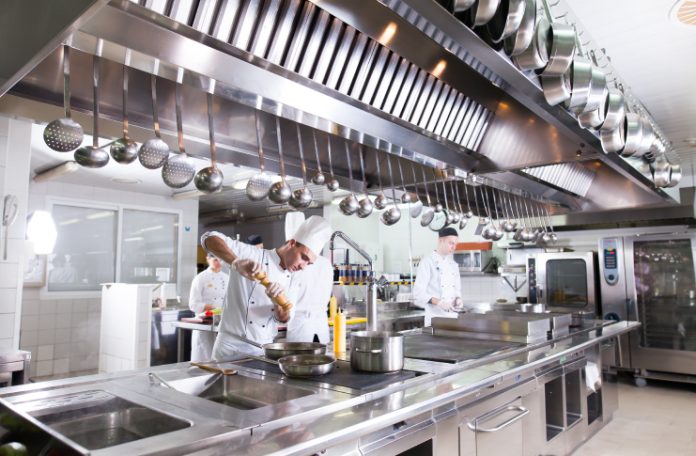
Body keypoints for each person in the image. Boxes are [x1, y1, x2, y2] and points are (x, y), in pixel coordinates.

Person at [201, 215, 333, 360]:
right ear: (292, 243)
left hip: (262, 350)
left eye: (309, 263)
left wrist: (278, 305)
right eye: (304, 257)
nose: (303, 266)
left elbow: (285, 318)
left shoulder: (294, 279)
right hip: (230, 347)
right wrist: (236, 262)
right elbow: (208, 238)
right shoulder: (253, 255)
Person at [284, 213, 333, 344]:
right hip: (321, 330)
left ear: (292, 243)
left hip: (300, 332)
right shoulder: (326, 263)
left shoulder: (294, 266)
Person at [413, 227, 462, 326]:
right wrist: (439, 302)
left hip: (452, 318)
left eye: (455, 244)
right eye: (451, 243)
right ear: (440, 241)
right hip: (434, 319)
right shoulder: (427, 262)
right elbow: (418, 294)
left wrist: (458, 299)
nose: (454, 247)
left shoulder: (453, 265)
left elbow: (457, 290)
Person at [188, 253, 229, 361]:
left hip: (222, 323)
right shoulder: (200, 278)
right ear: (208, 259)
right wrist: (211, 308)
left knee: (220, 360)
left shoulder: (227, 278)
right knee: (204, 358)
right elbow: (193, 304)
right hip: (205, 324)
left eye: (220, 259)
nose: (218, 262)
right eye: (215, 259)